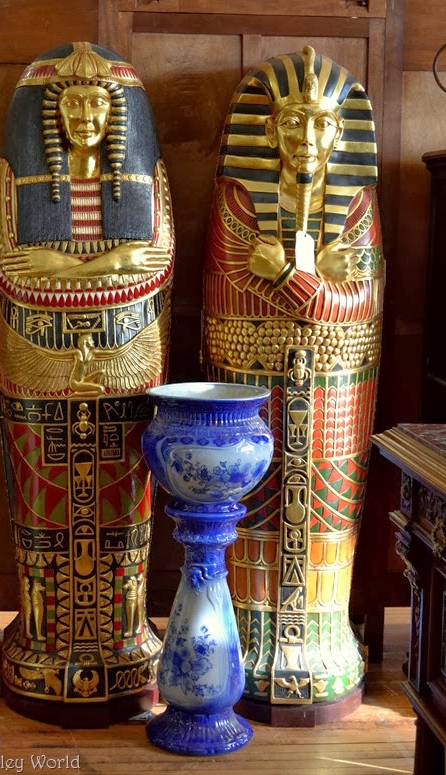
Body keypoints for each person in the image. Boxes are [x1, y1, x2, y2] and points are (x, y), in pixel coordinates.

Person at [0, 42, 174, 723]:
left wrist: (61, 270)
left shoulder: (144, 184)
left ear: (118, 114)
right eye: (73, 103)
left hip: (128, 363)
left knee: (125, 511)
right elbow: (10, 268)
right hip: (36, 364)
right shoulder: (18, 183)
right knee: (42, 515)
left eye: (99, 102)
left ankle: (123, 632)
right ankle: (45, 635)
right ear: (52, 115)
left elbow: (155, 263)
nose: (87, 115)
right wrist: (111, 266)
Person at [202, 46, 384, 718]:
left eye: (321, 124)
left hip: (338, 381)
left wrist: (285, 276)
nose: (307, 137)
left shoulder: (356, 204)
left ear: (339, 134)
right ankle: (248, 642)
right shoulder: (237, 199)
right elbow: (232, 277)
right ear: (269, 130)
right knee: (252, 498)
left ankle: (324, 639)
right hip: (248, 369)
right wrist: (316, 283)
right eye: (293, 123)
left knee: (328, 502)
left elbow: (358, 301)